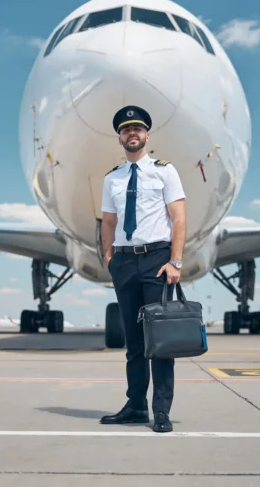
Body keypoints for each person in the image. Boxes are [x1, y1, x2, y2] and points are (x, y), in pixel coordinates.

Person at [99, 105, 187, 433]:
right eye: (125, 130)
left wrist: (175, 261)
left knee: (159, 341)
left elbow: (178, 218)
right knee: (134, 343)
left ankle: (161, 411)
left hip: (157, 260)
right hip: (124, 261)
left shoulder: (165, 172)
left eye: (137, 129)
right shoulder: (113, 178)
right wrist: (109, 257)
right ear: (120, 137)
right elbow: (108, 222)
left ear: (146, 135)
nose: (131, 133)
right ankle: (135, 405)